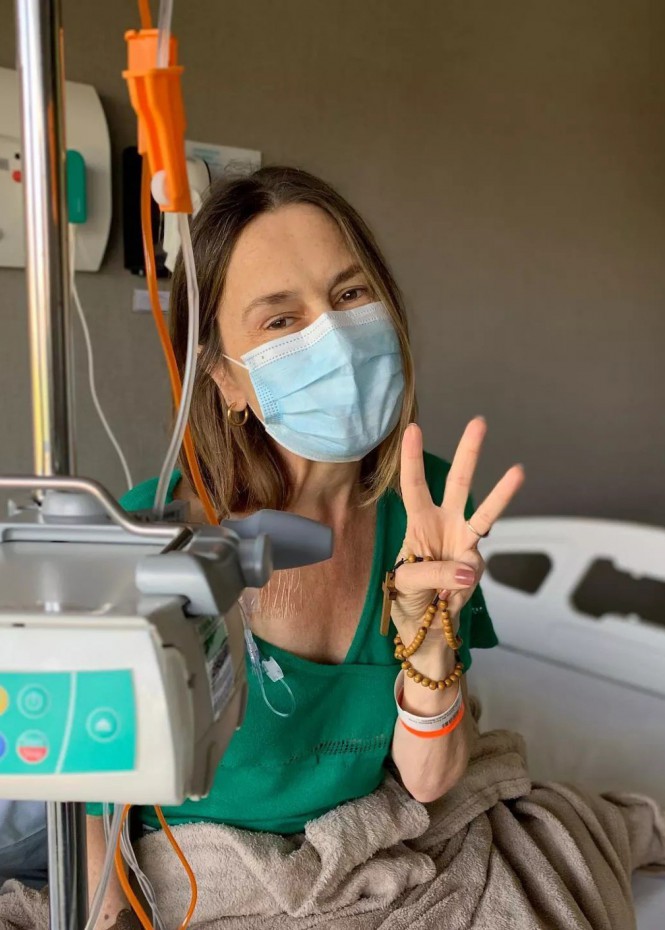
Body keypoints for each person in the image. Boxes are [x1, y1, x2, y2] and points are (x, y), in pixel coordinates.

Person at [86, 166, 524, 922]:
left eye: (350, 295)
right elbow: (91, 804)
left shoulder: (429, 508)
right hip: (202, 870)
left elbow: (428, 782)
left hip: (368, 847)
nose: (334, 337)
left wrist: (429, 635)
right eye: (280, 320)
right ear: (224, 378)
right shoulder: (153, 539)